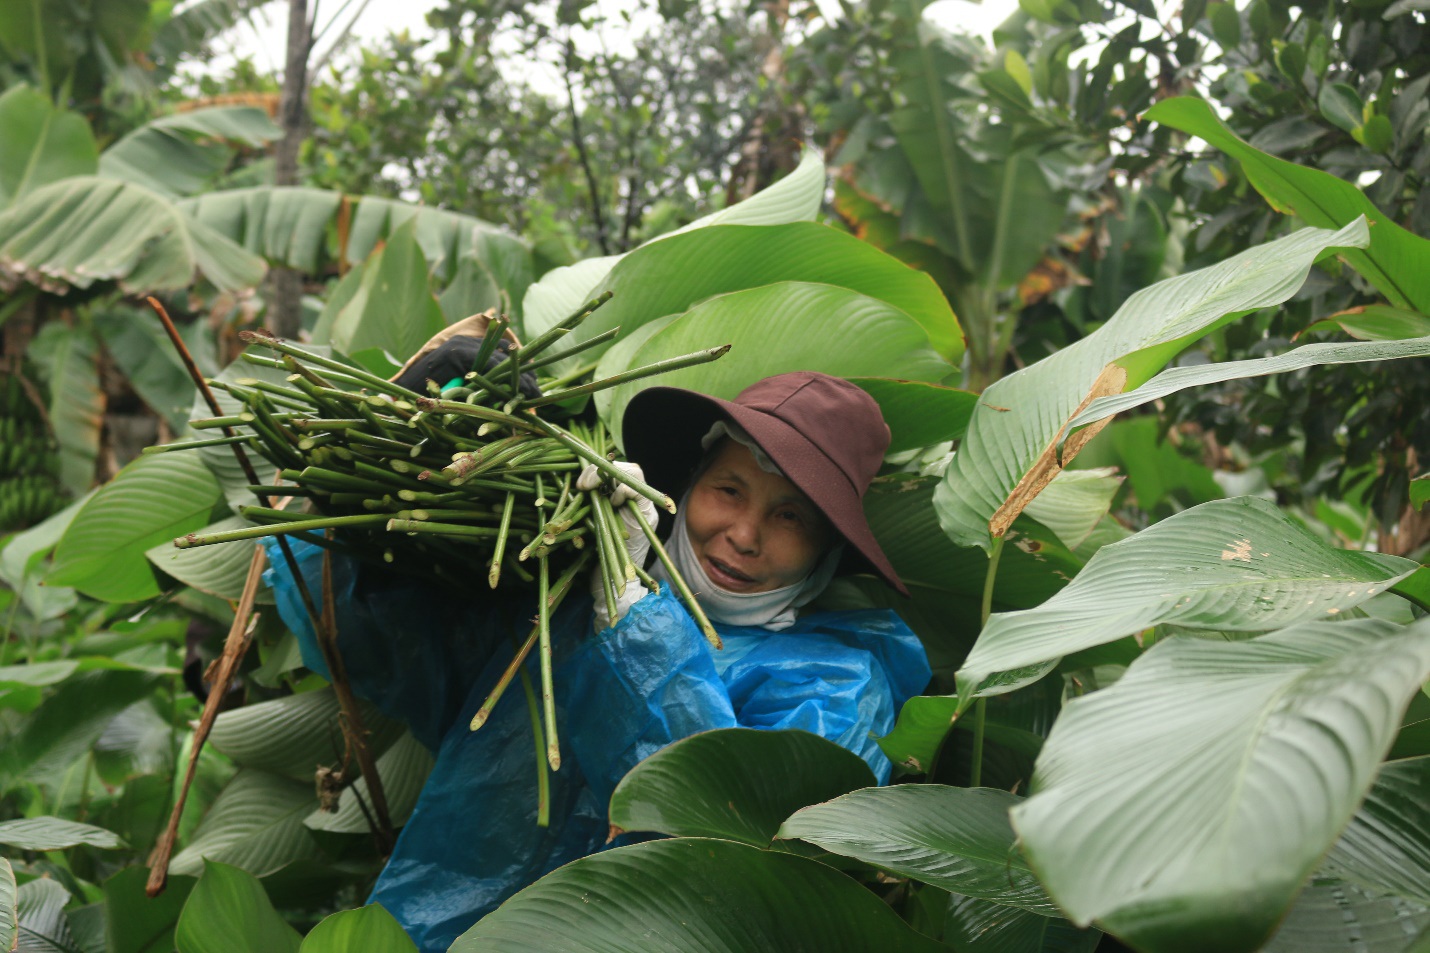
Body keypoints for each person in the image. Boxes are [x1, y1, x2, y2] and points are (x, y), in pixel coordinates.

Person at [265, 363, 931, 951]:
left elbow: (725, 843)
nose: (744, 534)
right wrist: (360, 486)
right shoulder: (561, 612)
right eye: (728, 490)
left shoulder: (839, 683)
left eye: (791, 517)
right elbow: (371, 637)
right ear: (689, 484)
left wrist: (636, 623)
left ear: (827, 549)